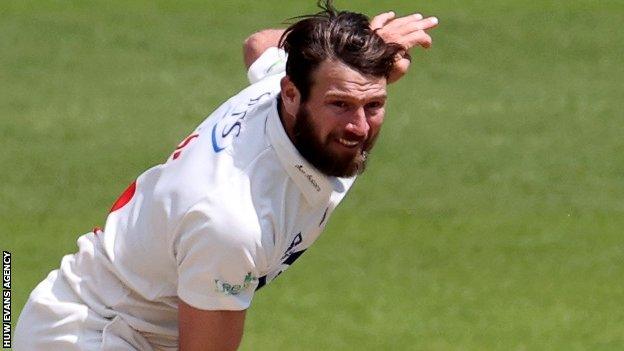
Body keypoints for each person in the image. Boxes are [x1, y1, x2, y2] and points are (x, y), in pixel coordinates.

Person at [14, 1, 438, 350]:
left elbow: (262, 43)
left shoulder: (282, 88)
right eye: (340, 104)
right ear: (292, 95)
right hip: (95, 335)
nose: (360, 128)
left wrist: (363, 53)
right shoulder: (233, 220)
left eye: (374, 104)